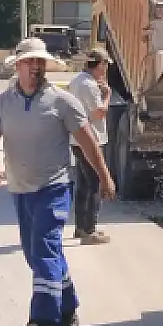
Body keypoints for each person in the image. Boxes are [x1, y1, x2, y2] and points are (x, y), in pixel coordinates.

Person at [0, 36, 116, 326]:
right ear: (18, 66)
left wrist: (104, 176)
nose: (37, 67)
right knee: (36, 253)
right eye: (31, 62)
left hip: (53, 187)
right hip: (20, 189)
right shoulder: (3, 103)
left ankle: (40, 320)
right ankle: (68, 308)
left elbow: (88, 141)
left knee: (43, 247)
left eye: (41, 62)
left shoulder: (62, 101)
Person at [67, 48, 113, 244]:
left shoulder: (77, 80)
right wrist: (108, 94)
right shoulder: (90, 85)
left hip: (76, 140)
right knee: (94, 184)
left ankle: (80, 227)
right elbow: (99, 113)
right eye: (105, 65)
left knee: (84, 185)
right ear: (100, 64)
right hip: (90, 139)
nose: (106, 69)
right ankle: (90, 230)